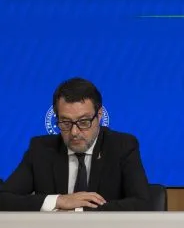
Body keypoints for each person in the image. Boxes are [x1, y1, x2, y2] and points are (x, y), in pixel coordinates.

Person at [0, 78, 151, 211]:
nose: (74, 132)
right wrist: (59, 201)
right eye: (65, 122)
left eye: (83, 122)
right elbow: (4, 198)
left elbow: (142, 203)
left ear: (99, 116)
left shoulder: (122, 147)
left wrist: (78, 210)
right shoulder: (41, 150)